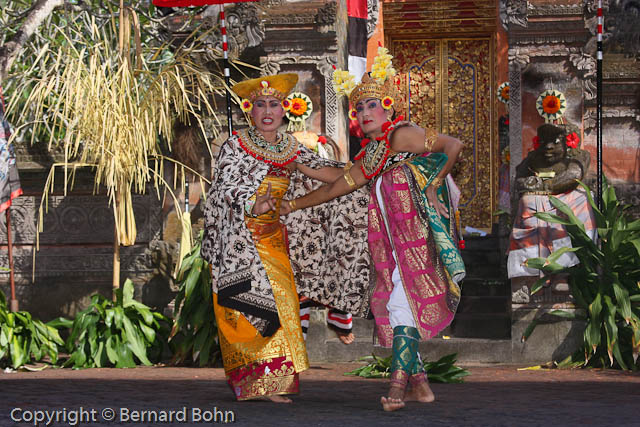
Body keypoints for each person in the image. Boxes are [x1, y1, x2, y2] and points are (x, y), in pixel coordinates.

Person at [281, 47, 466, 411]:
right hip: (396, 250)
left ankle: (396, 391)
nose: (364, 114)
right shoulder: (373, 155)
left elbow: (452, 145)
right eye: (358, 109)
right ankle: (422, 388)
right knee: (398, 309)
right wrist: (294, 195)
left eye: (371, 106)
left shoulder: (401, 136)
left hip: (421, 242)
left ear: (389, 108)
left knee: (402, 308)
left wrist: (433, 183)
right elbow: (336, 182)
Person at [201, 73, 370, 402]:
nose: (267, 110)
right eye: (260, 104)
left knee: (279, 308)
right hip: (238, 240)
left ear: (284, 111)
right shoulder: (235, 145)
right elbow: (225, 186)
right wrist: (253, 199)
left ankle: (272, 382)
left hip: (274, 239)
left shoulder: (291, 148)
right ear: (250, 111)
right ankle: (253, 383)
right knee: (245, 312)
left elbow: (332, 174)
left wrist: (368, 170)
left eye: (274, 104)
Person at [508, 123, 596, 287]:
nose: (548, 147)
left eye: (555, 141)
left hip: (568, 198)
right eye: (544, 141)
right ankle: (533, 270)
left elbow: (573, 175)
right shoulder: (534, 157)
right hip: (538, 200)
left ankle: (565, 269)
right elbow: (519, 179)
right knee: (527, 203)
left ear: (569, 143)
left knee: (580, 203)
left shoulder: (579, 156)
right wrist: (531, 184)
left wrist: (542, 185)